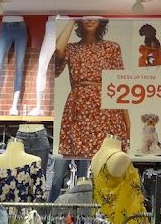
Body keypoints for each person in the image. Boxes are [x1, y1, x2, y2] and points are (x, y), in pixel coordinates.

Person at [55, 18, 130, 158]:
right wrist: (72, 19)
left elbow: (119, 86)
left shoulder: (111, 48)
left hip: (106, 112)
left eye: (94, 16)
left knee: (106, 159)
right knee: (78, 158)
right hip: (78, 110)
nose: (89, 20)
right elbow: (58, 49)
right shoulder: (71, 49)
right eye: (84, 17)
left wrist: (127, 125)